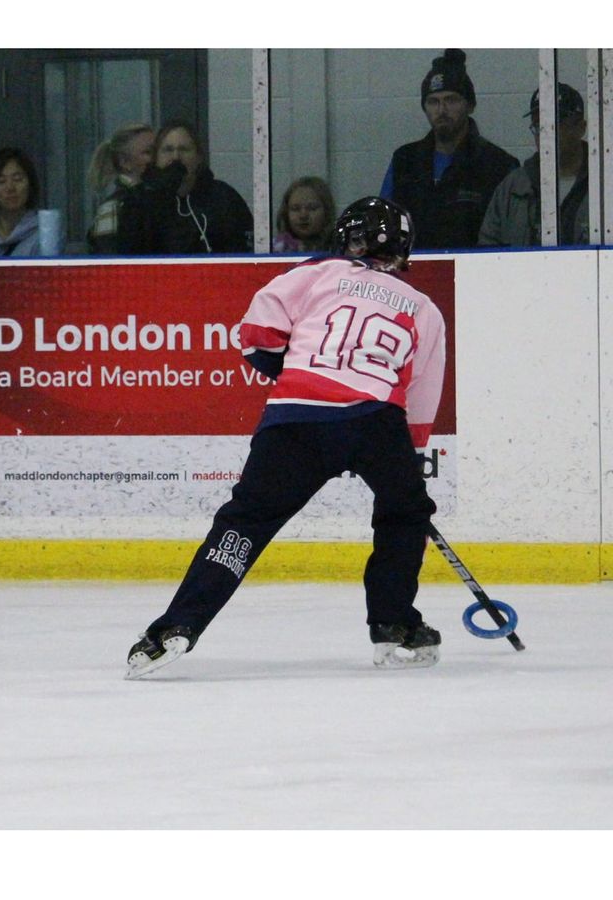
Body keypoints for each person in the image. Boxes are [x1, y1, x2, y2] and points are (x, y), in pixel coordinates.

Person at [125, 196, 446, 679]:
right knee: (404, 517)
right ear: (402, 251)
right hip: (376, 420)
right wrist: (408, 469)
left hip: (294, 419)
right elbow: (419, 399)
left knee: (245, 523)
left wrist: (296, 370)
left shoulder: (317, 272)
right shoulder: (424, 308)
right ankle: (393, 623)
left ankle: (176, 628)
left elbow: (256, 333)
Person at [380, 49, 517, 249]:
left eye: (451, 100)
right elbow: (384, 225)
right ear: (424, 107)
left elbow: (510, 238)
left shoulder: (498, 165)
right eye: (433, 101)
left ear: (470, 105)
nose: (441, 110)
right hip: (413, 272)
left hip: (479, 274)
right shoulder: (404, 161)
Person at [116, 119, 253, 254]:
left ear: (198, 157)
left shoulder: (224, 197)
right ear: (156, 158)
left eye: (184, 149)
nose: (176, 157)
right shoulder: (141, 202)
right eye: (168, 150)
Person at [479, 84, 590, 247]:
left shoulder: (606, 183)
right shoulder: (512, 188)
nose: (547, 132)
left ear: (581, 128)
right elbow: (487, 251)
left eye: (557, 123)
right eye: (539, 125)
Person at [86, 123, 155, 254]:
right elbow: (108, 261)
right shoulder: (114, 208)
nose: (156, 157)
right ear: (124, 162)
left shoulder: (158, 199)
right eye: (148, 152)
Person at [0, 147, 47, 257]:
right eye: (0, 181)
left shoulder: (46, 234)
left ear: (30, 183)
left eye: (17, 179)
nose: (10, 188)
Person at [272, 176, 336, 253]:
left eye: (312, 208)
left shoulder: (339, 247)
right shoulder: (274, 249)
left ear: (327, 211)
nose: (303, 216)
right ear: (286, 213)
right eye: (295, 209)